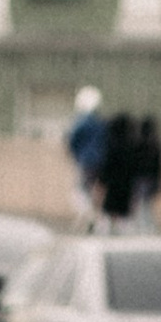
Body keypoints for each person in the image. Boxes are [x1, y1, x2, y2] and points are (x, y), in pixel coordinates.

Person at [65, 86, 108, 221]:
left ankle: (89, 215)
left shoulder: (81, 122)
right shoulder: (101, 123)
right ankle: (98, 218)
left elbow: (72, 140)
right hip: (101, 162)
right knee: (96, 190)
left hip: (85, 161)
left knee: (80, 190)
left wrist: (76, 155)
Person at [129, 114, 161, 228]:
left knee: (141, 204)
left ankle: (143, 226)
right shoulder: (156, 144)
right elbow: (160, 165)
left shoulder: (137, 143)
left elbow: (133, 162)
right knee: (146, 204)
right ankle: (148, 226)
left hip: (140, 179)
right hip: (151, 179)